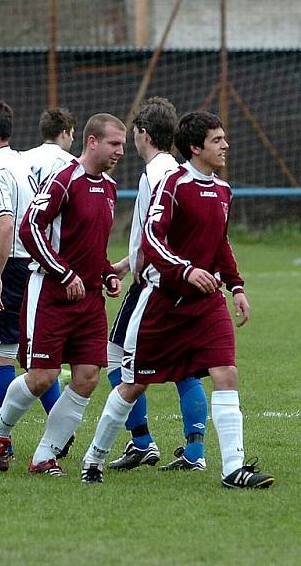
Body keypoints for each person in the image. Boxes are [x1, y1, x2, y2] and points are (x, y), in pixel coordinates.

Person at [81, 111, 275, 489]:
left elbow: (220, 243)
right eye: (217, 140)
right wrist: (185, 270)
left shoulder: (223, 191)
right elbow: (153, 240)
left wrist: (235, 286)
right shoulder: (173, 183)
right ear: (195, 147)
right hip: (163, 305)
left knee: (226, 374)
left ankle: (233, 468)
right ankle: (94, 458)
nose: (225, 146)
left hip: (207, 306)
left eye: (224, 139)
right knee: (133, 384)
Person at [0, 113, 124, 475]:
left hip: (90, 299)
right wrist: (64, 272)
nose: (120, 151)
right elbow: (30, 227)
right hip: (51, 292)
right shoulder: (65, 179)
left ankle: (45, 455)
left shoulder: (109, 187)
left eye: (123, 144)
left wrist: (106, 273)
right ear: (91, 142)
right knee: (42, 377)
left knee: (87, 377)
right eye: (114, 144)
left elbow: (92, 244)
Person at [105, 97, 209, 471]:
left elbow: (153, 236)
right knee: (184, 366)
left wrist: (136, 268)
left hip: (155, 283)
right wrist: (122, 264)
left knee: (117, 358)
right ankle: (195, 453)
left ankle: (142, 441)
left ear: (143, 134)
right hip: (181, 280)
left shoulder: (152, 175)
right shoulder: (180, 171)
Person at [0, 99, 51, 461]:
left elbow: (3, 224)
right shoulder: (20, 163)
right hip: (33, 265)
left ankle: (1, 444)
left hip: (11, 267)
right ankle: (61, 435)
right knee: (38, 362)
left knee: (0, 359)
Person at [20, 107, 77, 189]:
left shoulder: (23, 158)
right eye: (72, 134)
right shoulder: (71, 163)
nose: (72, 139)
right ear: (64, 133)